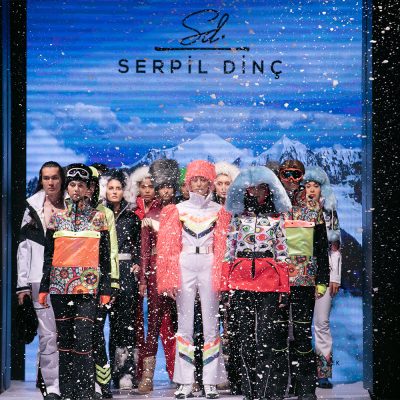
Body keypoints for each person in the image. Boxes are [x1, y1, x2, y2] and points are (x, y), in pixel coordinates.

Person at [156, 160, 231, 399]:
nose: (199, 184)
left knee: (211, 325)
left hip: (209, 264)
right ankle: (185, 381)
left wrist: (223, 277)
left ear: (210, 183)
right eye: (194, 179)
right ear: (188, 183)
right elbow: (168, 247)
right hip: (185, 263)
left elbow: (223, 247)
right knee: (184, 325)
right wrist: (168, 277)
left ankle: (210, 381)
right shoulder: (176, 210)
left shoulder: (220, 211)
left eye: (203, 180)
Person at [39, 163, 112, 400]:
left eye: (81, 185)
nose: (76, 189)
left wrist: (106, 288)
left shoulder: (99, 218)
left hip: (88, 287)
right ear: (67, 188)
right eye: (72, 184)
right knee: (64, 339)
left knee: (84, 337)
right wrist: (44, 286)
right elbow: (48, 256)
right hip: (59, 286)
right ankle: (67, 391)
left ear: (89, 188)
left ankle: (85, 391)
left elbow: (105, 257)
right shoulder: (56, 218)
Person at [221, 166, 292, 400]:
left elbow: (282, 253)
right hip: (240, 282)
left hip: (268, 283)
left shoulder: (276, 219)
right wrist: (225, 286)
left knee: (266, 339)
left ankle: (264, 390)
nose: (255, 192)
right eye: (251, 188)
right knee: (244, 340)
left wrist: (284, 288)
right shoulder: (237, 218)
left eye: (261, 188)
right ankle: (249, 392)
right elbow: (228, 252)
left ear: (269, 190)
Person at [279, 161, 331, 400]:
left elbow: (321, 246)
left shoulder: (313, 206)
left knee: (302, 333)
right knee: (279, 334)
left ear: (302, 177)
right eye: (286, 174)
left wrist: (323, 279)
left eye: (295, 174)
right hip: (277, 280)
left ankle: (306, 388)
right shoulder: (274, 203)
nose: (291, 179)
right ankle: (281, 385)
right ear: (280, 176)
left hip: (304, 278)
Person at [16, 161, 66, 400]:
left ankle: (70, 382)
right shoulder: (32, 207)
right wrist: (22, 286)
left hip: (69, 279)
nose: (51, 182)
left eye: (55, 177)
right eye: (46, 178)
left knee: (70, 334)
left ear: (61, 179)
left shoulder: (73, 204)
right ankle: (52, 386)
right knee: (48, 336)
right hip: (38, 279)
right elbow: (23, 248)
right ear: (41, 180)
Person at [138, 159, 180, 393]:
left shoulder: (181, 211)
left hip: (177, 271)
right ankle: (147, 375)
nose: (166, 191)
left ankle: (184, 373)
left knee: (180, 323)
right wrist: (143, 280)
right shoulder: (150, 214)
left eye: (169, 187)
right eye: (162, 187)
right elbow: (144, 251)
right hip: (155, 272)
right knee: (153, 323)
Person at [300, 167, 341, 389]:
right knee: (299, 325)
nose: (311, 190)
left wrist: (335, 277)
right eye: (308, 186)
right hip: (300, 273)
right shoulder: (296, 211)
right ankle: (301, 373)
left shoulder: (329, 212)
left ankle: (323, 373)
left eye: (315, 186)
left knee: (322, 323)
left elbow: (335, 248)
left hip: (324, 273)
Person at [87, 166, 120, 398]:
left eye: (91, 184)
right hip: (74, 283)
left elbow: (112, 251)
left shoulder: (105, 213)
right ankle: (83, 380)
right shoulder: (67, 212)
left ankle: (103, 382)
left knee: (97, 332)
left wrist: (112, 283)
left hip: (99, 282)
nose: (87, 189)